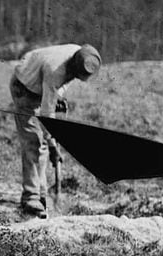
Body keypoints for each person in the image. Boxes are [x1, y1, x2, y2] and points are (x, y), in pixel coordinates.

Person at [10, 44, 101, 218]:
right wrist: (53, 142)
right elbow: (46, 114)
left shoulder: (81, 55)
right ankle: (31, 197)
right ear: (74, 67)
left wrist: (57, 100)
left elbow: (55, 94)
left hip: (42, 86)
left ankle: (41, 194)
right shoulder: (55, 70)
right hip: (24, 87)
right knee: (34, 142)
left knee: (41, 144)